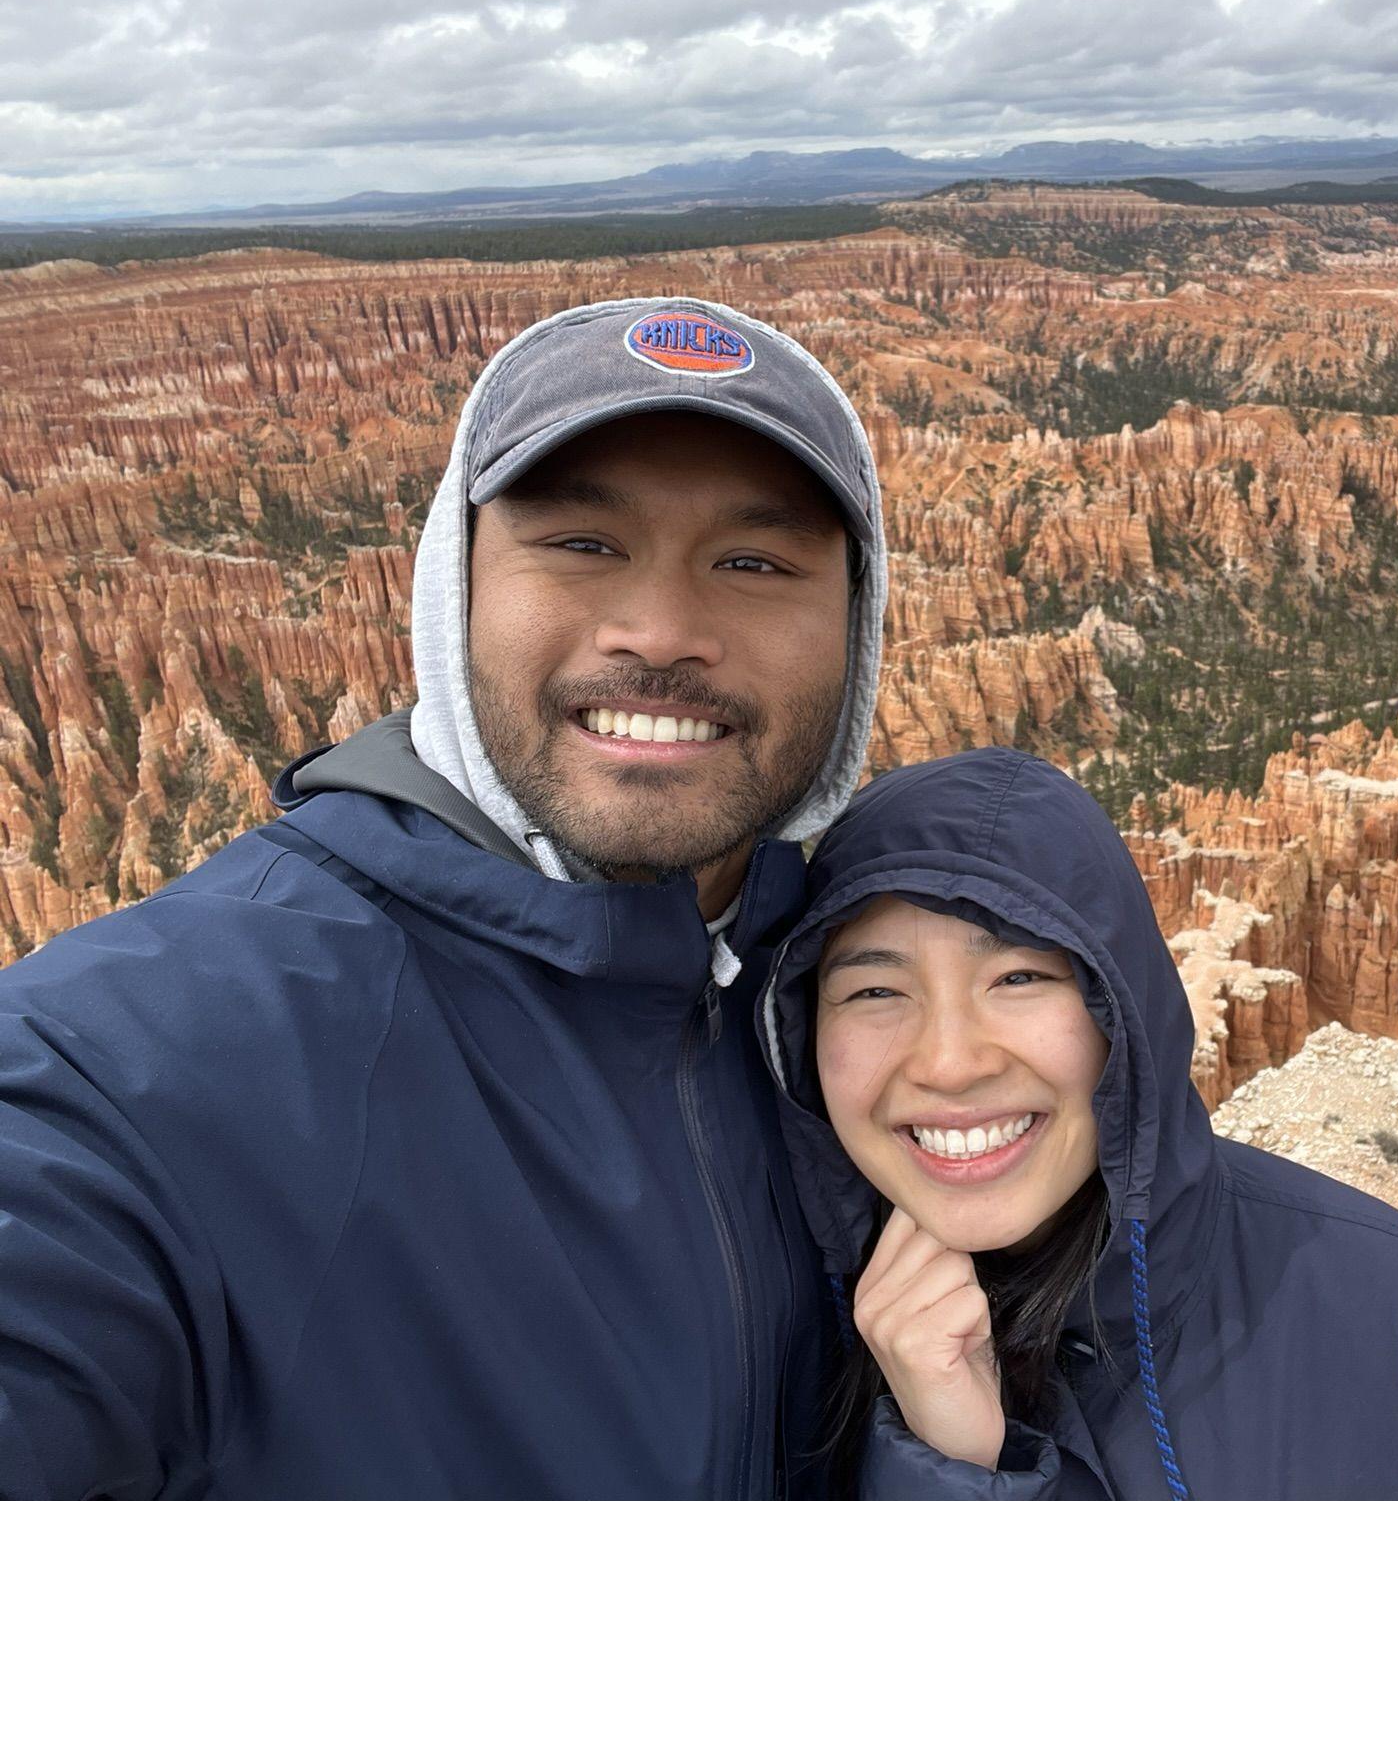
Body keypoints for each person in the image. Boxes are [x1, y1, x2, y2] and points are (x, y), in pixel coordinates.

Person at [0, 296, 888, 1498]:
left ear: (855, 625)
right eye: (581, 542)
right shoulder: (125, 1068)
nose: (662, 630)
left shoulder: (889, 1014)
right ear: (451, 586)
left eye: (753, 561)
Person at [759, 745, 1398, 1499]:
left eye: (1018, 977)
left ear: (1120, 1008)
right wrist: (947, 1467)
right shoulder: (768, 1344)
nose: (947, 1061)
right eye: (875, 991)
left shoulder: (1395, 1311)